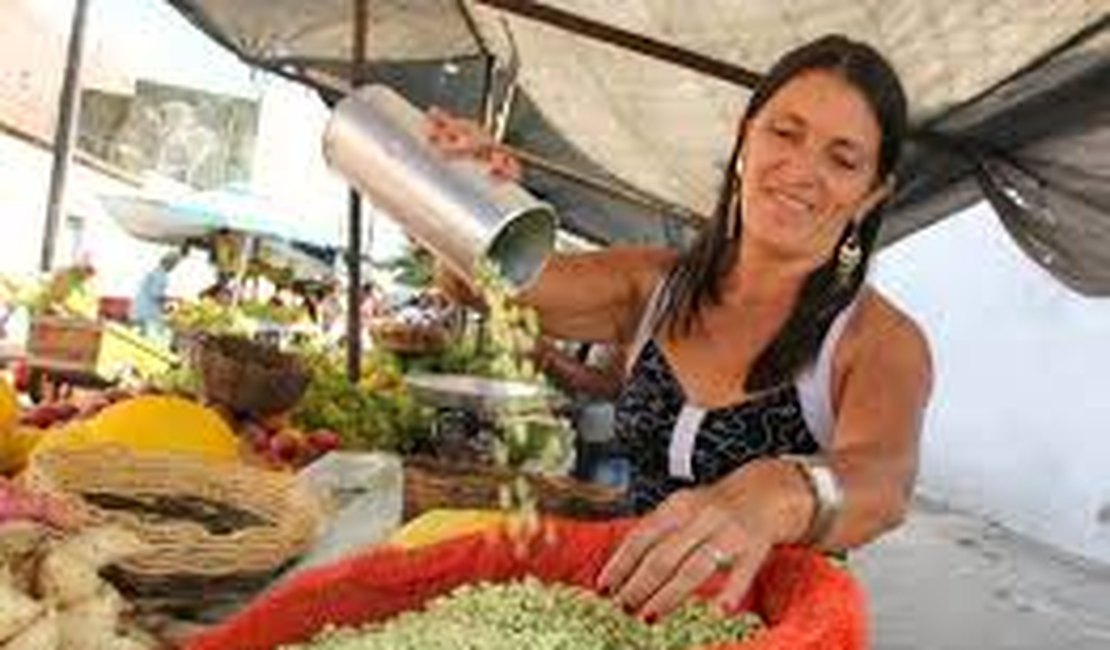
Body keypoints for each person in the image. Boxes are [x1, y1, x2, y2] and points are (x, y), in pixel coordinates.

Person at [431, 34, 933, 620]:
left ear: (872, 195)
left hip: (770, 631)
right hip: (613, 617)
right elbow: (478, 282)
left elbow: (883, 481)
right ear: (746, 137)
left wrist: (778, 492)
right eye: (785, 133)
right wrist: (468, 196)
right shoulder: (652, 286)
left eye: (842, 159)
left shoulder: (876, 339)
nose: (801, 169)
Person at [131, 251, 182, 337]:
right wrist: (172, 299)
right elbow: (155, 294)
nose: (174, 267)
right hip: (148, 313)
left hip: (139, 310)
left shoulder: (153, 272)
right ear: (170, 263)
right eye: (174, 264)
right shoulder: (161, 276)